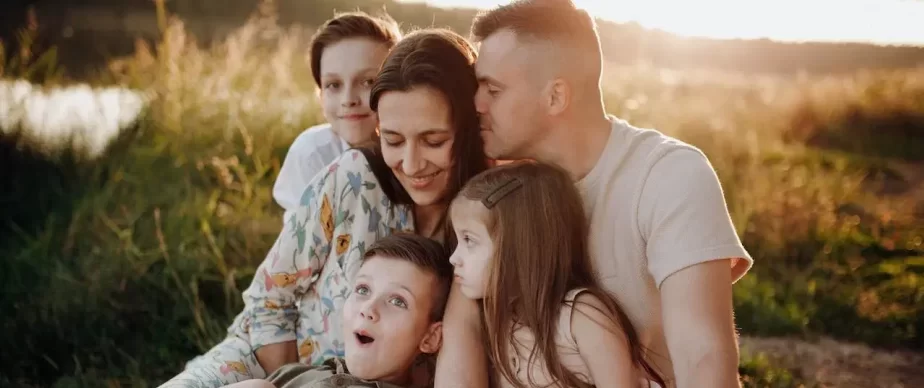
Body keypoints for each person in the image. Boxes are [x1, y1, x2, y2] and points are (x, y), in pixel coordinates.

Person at [436, 1, 754, 387]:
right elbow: (462, 331)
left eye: (493, 89)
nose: (477, 104)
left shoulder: (668, 175)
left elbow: (702, 353)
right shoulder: (501, 187)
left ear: (555, 96)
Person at [159, 28, 490, 388]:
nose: (411, 164)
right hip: (267, 364)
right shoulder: (353, 178)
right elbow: (270, 299)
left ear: (468, 129)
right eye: (393, 140)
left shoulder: (485, 215)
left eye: (434, 140)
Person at [448, 161, 667, 388]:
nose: (454, 258)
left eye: (469, 241)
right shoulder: (502, 325)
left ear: (522, 248)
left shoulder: (581, 316)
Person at [224, 233, 454, 388]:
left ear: (431, 337)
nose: (368, 308)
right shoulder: (299, 374)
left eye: (397, 301)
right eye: (363, 289)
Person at [273, 11, 401, 225]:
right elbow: (302, 243)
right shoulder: (312, 153)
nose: (348, 99)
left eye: (368, 82)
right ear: (320, 94)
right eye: (334, 85)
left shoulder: (418, 151)